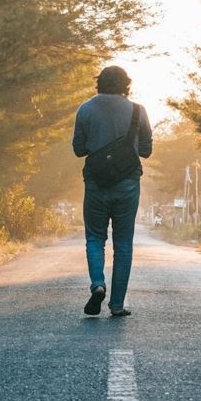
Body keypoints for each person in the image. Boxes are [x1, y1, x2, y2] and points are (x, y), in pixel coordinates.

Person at [72, 65, 152, 317]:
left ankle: (98, 284)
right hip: (128, 184)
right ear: (126, 85)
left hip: (96, 184)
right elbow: (146, 150)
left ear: (99, 84)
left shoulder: (85, 110)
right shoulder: (138, 111)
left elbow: (79, 149)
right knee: (123, 243)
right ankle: (117, 304)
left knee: (95, 238)